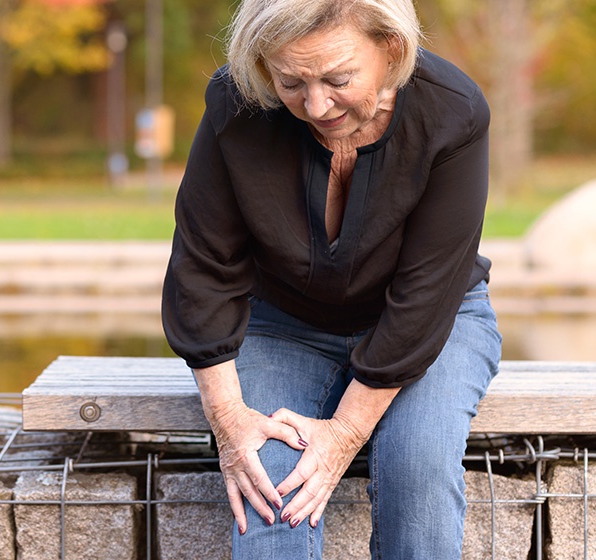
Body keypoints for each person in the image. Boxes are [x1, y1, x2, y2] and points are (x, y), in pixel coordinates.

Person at [160, 0, 502, 558]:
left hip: (435, 320)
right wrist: (229, 421)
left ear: (390, 50)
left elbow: (425, 294)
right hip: (283, 323)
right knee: (268, 478)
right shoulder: (236, 100)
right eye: (290, 81)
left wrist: (343, 434)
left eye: (338, 79)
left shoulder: (453, 110)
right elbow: (203, 268)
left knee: (416, 463)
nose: (315, 105)